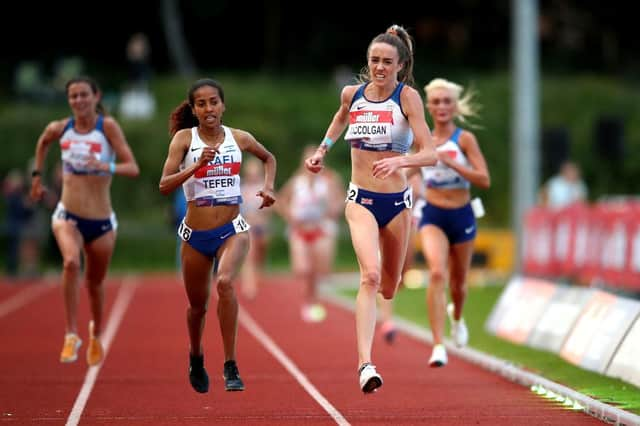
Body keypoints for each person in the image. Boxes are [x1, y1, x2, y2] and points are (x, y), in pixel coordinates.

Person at [305, 24, 436, 393]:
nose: (379, 67)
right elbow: (339, 118)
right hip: (360, 198)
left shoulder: (407, 99)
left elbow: (431, 152)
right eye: (374, 60)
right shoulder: (352, 93)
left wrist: (401, 163)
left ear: (400, 65)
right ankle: (365, 364)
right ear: (368, 62)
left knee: (390, 287)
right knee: (371, 276)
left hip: (396, 204)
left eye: (387, 62)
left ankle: (379, 315)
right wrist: (322, 150)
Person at [158, 78, 276, 394]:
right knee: (197, 307)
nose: (209, 108)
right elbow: (164, 184)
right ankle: (196, 356)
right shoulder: (184, 139)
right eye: (202, 103)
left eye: (214, 102)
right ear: (194, 110)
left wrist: (269, 187)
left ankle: (230, 364)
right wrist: (195, 166)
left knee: (224, 283)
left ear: (223, 105)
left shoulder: (239, 138)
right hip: (195, 233)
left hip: (232, 228)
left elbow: (269, 158)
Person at [29, 76, 140, 365]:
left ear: (96, 95)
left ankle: (96, 333)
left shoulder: (108, 127)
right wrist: (37, 178)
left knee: (94, 283)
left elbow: (133, 167)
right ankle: (70, 334)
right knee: (70, 263)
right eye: (73, 96)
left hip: (101, 221)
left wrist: (107, 165)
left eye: (83, 95)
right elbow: (43, 142)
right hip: (68, 216)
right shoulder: (61, 127)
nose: (78, 101)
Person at [418, 77, 490, 367]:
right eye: (436, 102)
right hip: (433, 213)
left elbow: (484, 179)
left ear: (455, 106)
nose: (442, 106)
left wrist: (451, 163)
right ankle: (437, 344)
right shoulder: (420, 139)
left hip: (462, 214)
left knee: (458, 284)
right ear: (428, 106)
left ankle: (457, 317)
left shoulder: (464, 139)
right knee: (436, 273)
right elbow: (410, 171)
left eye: (447, 101)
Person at [276, 145, 345, 322]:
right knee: (303, 269)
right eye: (310, 160)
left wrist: (333, 210)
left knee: (321, 270)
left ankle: (315, 299)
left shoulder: (330, 180)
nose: (313, 163)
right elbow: (280, 200)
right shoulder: (296, 181)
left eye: (317, 160)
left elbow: (342, 199)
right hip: (300, 229)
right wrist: (290, 216)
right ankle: (309, 299)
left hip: (322, 228)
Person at [377, 170, 425, 343]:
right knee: (387, 268)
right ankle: (387, 321)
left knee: (401, 274)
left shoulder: (418, 160)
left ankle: (385, 287)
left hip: (410, 216)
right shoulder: (388, 157)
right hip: (389, 214)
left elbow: (419, 192)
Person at [239, 157, 273, 299]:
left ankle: (259, 273)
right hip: (247, 226)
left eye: (255, 173)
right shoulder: (241, 189)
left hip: (263, 226)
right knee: (249, 255)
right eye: (250, 173)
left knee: (260, 254)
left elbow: (270, 208)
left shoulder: (264, 188)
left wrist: (262, 215)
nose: (253, 176)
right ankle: (249, 285)